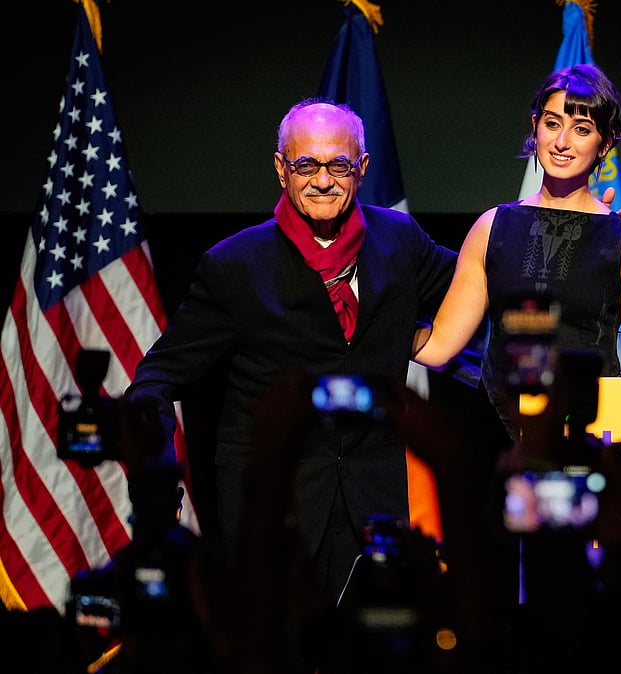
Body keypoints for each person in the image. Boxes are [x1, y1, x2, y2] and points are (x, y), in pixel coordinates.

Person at [124, 98, 461, 603]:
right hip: (273, 506)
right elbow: (157, 376)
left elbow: (478, 281)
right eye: (306, 165)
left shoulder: (399, 241)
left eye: (339, 165)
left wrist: (589, 232)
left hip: (373, 503)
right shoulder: (235, 265)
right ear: (282, 169)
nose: (323, 180)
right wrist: (157, 476)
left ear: (362, 168)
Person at [412, 63, 621, 441]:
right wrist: (372, 326)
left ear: (605, 143)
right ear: (535, 126)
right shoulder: (491, 227)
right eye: (552, 123)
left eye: (582, 130)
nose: (562, 141)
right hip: (499, 443)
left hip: (589, 442)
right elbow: (439, 347)